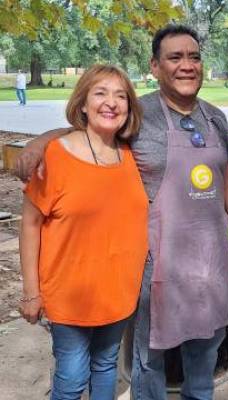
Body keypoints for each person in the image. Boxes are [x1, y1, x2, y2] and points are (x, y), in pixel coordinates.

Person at [16, 25, 228, 400]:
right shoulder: (139, 115)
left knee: (204, 356)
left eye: (194, 57)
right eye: (175, 57)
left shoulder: (216, 118)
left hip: (209, 262)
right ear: (155, 66)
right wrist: (40, 141)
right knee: (148, 361)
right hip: (155, 267)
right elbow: (91, 129)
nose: (187, 65)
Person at [19, 64, 148, 400]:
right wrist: (31, 292)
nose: (111, 103)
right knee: (73, 376)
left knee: (105, 366)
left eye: (121, 96)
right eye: (101, 93)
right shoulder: (55, 156)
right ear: (83, 104)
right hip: (69, 295)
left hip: (118, 292)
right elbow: (30, 225)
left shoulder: (132, 153)